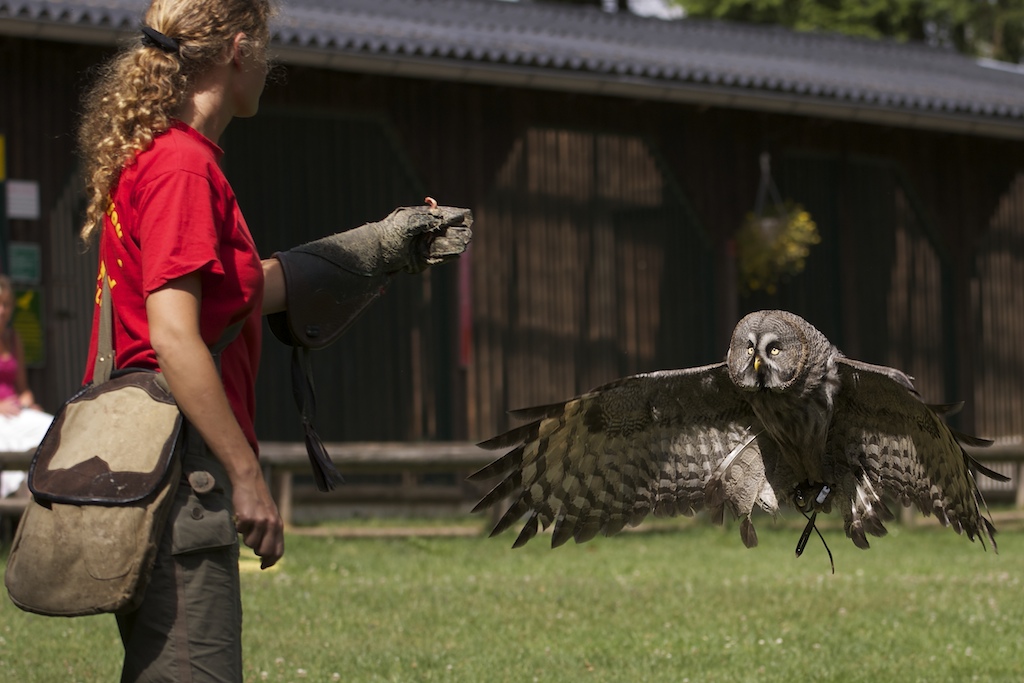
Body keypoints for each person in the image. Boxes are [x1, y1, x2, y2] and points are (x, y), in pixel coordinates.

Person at [74, 0, 471, 680]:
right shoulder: (182, 169)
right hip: (178, 468)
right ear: (237, 49)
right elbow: (173, 336)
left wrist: (375, 249)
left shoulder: (160, 160)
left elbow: (227, 294)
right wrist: (248, 476)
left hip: (148, 459)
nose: (269, 63)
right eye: (266, 45)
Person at [0, 275, 53, 498]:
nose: (2, 310)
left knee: (51, 426)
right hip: (1, 414)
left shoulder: (14, 338)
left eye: (6, 304)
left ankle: (36, 489)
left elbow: (23, 388)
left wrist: (28, 403)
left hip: (16, 412)